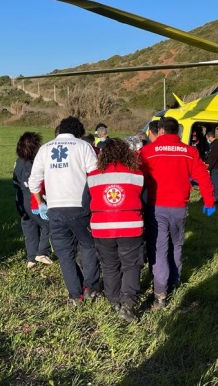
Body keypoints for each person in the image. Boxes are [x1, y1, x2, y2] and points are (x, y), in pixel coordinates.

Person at [139, 117, 216, 310]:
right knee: (176, 245)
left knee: (159, 249)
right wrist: (209, 201)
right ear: (178, 132)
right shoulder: (190, 152)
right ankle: (174, 281)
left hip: (156, 208)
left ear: (162, 131)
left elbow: (137, 177)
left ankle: (160, 295)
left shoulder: (148, 151)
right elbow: (203, 177)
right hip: (179, 208)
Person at [28, 116, 100, 306]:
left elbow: (34, 182)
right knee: (88, 245)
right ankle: (90, 287)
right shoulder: (84, 147)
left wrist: (41, 203)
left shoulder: (45, 149)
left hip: (55, 209)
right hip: (80, 207)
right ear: (78, 131)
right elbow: (94, 176)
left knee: (65, 254)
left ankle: (75, 295)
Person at [88, 138, 145, 322]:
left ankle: (114, 301)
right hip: (131, 226)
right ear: (126, 154)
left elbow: (84, 202)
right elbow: (145, 200)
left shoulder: (93, 175)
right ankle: (128, 302)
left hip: (102, 227)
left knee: (109, 265)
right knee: (131, 264)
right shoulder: (136, 173)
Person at [13, 132, 53, 269]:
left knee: (29, 227)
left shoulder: (18, 161)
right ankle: (42, 252)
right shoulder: (32, 164)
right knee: (48, 224)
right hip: (32, 199)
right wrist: (42, 201)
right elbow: (35, 185)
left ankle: (31, 258)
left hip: (20, 198)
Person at [205, 130, 218, 203]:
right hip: (215, 166)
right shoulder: (215, 144)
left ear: (210, 137)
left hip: (215, 167)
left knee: (216, 183)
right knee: (216, 182)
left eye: (207, 138)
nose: (207, 140)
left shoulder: (215, 145)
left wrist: (209, 168)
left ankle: (217, 197)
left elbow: (213, 159)